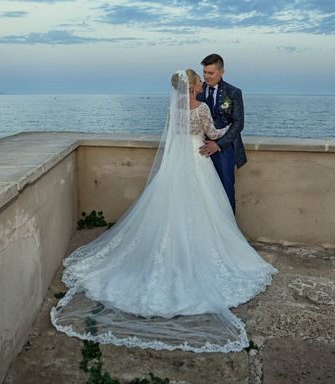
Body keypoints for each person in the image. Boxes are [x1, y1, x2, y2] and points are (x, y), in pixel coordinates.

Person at [51, 69, 277, 353]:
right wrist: (227, 131)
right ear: (193, 86)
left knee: (171, 212)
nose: (200, 83)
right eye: (198, 80)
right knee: (204, 212)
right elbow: (214, 133)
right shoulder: (203, 107)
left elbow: (172, 137)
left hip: (175, 167)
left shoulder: (173, 110)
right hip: (198, 163)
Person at [198, 54, 245, 213]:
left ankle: (229, 230)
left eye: (210, 73)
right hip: (201, 148)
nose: (206, 76)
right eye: (204, 72)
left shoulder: (233, 92)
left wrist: (218, 145)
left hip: (225, 149)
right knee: (202, 190)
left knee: (226, 189)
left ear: (222, 72)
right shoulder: (197, 89)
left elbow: (239, 123)